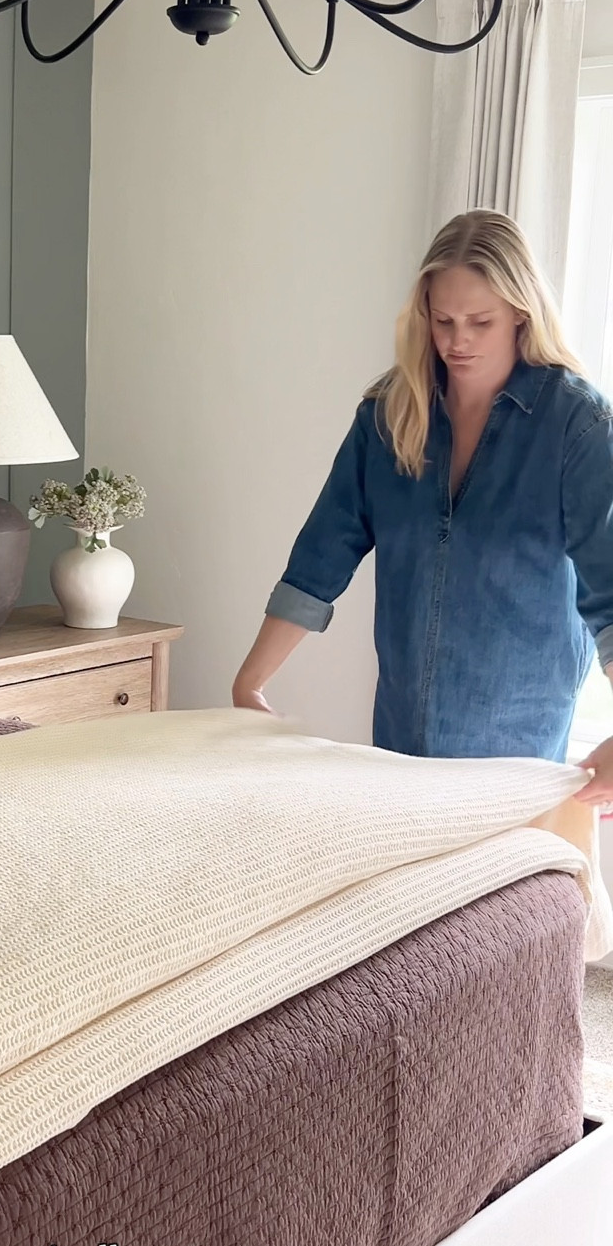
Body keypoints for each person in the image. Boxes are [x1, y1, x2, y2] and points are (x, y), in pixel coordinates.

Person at [232, 209, 613, 805]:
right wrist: (250, 682)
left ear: (521, 312)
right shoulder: (389, 415)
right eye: (443, 321)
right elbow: (320, 558)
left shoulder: (576, 426)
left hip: (518, 759)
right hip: (398, 749)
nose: (458, 342)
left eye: (480, 322)